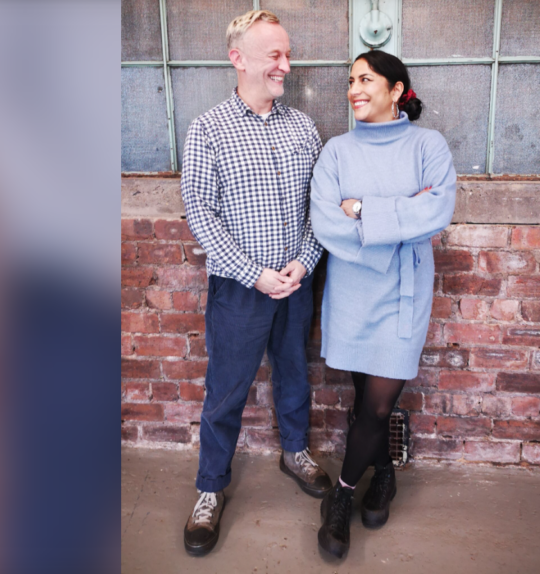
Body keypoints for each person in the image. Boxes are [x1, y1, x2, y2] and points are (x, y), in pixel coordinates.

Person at [179, 9, 333, 556]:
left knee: (295, 372)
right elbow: (200, 211)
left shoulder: (302, 127)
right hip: (240, 289)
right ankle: (209, 488)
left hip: (294, 282)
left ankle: (296, 451)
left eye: (287, 55)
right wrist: (254, 273)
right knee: (226, 391)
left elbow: (322, 205)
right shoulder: (208, 129)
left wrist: (305, 261)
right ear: (237, 57)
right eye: (275, 55)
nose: (286, 66)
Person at [309, 50, 457, 558]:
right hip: (351, 292)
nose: (354, 89)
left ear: (396, 89)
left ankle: (341, 500)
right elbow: (327, 223)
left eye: (366, 79)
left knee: (377, 405)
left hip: (402, 294)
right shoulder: (336, 152)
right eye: (351, 80)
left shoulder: (427, 145)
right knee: (362, 397)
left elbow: (437, 210)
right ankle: (385, 476)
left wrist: (367, 209)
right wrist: (399, 222)